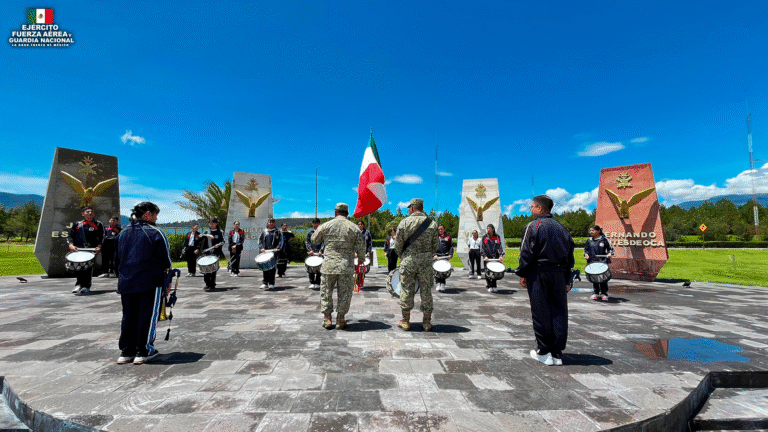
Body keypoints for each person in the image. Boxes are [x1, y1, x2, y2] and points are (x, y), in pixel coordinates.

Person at [516, 195, 575, 366]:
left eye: (532, 207)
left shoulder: (533, 226)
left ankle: (544, 351)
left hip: (538, 273)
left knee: (540, 311)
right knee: (559, 311)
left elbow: (526, 253)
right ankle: (557, 353)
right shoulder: (562, 229)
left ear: (540, 208)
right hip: (558, 273)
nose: (531, 209)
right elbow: (569, 257)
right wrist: (567, 278)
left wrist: (523, 273)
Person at [114, 201, 171, 365]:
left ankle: (127, 351)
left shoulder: (123, 233)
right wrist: (167, 282)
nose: (156, 219)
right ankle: (144, 350)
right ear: (148, 214)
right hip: (149, 281)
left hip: (126, 281)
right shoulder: (155, 232)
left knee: (129, 316)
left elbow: (116, 260)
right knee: (147, 315)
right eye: (155, 215)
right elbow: (165, 261)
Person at [311, 203, 365, 329]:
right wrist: (361, 259)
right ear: (347, 213)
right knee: (345, 293)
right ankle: (341, 319)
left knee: (326, 292)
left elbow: (314, 240)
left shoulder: (326, 225)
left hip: (329, 265)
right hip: (346, 267)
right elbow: (361, 246)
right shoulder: (354, 227)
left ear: (335, 212)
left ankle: (327, 318)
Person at [394, 198, 438, 331]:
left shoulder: (404, 222)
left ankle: (406, 321)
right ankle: (426, 322)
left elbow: (397, 245)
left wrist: (404, 256)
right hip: (425, 261)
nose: (408, 210)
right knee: (426, 290)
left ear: (412, 208)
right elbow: (435, 246)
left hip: (409, 261)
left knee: (406, 289)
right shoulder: (432, 224)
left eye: (409, 208)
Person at [66, 206, 104, 294]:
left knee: (88, 268)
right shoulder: (77, 224)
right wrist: (71, 244)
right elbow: (70, 236)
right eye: (87, 212)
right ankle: (78, 284)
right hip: (79, 249)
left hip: (91, 249)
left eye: (91, 211)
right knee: (78, 267)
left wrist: (99, 246)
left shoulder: (98, 224)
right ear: (83, 214)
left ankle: (86, 286)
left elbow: (102, 237)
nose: (90, 213)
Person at [584, 224, 614, 301]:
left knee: (603, 278)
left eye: (592, 230)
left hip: (602, 262)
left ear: (598, 231)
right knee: (595, 278)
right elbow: (586, 251)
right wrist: (586, 255)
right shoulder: (589, 240)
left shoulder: (604, 240)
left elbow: (611, 249)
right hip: (592, 261)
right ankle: (595, 292)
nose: (591, 232)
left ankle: (604, 293)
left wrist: (610, 254)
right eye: (590, 230)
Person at [258, 218, 283, 290]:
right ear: (268, 223)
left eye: (272, 222)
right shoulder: (264, 232)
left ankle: (271, 283)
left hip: (273, 253)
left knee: (272, 268)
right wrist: (261, 248)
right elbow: (260, 241)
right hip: (265, 252)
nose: (271, 223)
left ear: (274, 223)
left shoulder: (278, 232)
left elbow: (281, 242)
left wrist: (277, 248)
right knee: (265, 267)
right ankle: (265, 283)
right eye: (270, 222)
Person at [202, 218, 225, 291]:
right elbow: (199, 236)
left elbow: (223, 241)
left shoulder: (220, 232)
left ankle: (212, 284)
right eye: (210, 223)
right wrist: (207, 235)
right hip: (206, 252)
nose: (211, 225)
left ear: (216, 224)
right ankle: (207, 283)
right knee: (206, 269)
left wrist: (219, 244)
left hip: (215, 253)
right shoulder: (206, 231)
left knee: (212, 269)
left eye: (212, 223)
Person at [481, 224, 505, 293]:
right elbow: (482, 248)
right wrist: (484, 256)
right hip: (488, 258)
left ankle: (494, 285)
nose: (488, 230)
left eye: (489, 228)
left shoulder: (497, 237)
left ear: (493, 229)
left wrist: (501, 255)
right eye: (487, 228)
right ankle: (489, 285)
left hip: (495, 257)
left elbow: (500, 247)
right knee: (488, 272)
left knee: (495, 272)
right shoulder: (485, 237)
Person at [434, 225, 454, 292]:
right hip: (437, 257)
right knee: (436, 271)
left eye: (441, 229)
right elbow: (432, 247)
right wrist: (434, 254)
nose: (440, 230)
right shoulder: (435, 237)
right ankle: (437, 283)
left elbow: (451, 247)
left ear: (444, 229)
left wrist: (450, 254)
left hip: (445, 256)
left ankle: (442, 284)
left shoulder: (448, 237)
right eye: (439, 229)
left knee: (443, 271)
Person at [305, 218, 323, 290]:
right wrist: (310, 250)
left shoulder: (322, 233)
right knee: (311, 268)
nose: (316, 225)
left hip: (319, 253)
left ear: (319, 224)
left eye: (317, 223)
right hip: (312, 253)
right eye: (314, 223)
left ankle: (318, 283)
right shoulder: (310, 233)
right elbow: (307, 242)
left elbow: (324, 243)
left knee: (319, 269)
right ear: (312, 224)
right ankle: (312, 282)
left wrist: (321, 250)